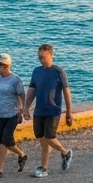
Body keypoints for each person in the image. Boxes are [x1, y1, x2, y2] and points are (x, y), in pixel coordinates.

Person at [24, 44, 73, 177]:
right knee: (41, 137)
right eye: (39, 56)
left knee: (49, 136)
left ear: (50, 55)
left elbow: (66, 91)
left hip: (53, 110)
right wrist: (26, 108)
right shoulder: (36, 71)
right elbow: (31, 91)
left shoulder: (58, 71)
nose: (41, 59)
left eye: (43, 56)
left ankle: (65, 152)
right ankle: (44, 167)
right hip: (39, 110)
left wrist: (69, 111)